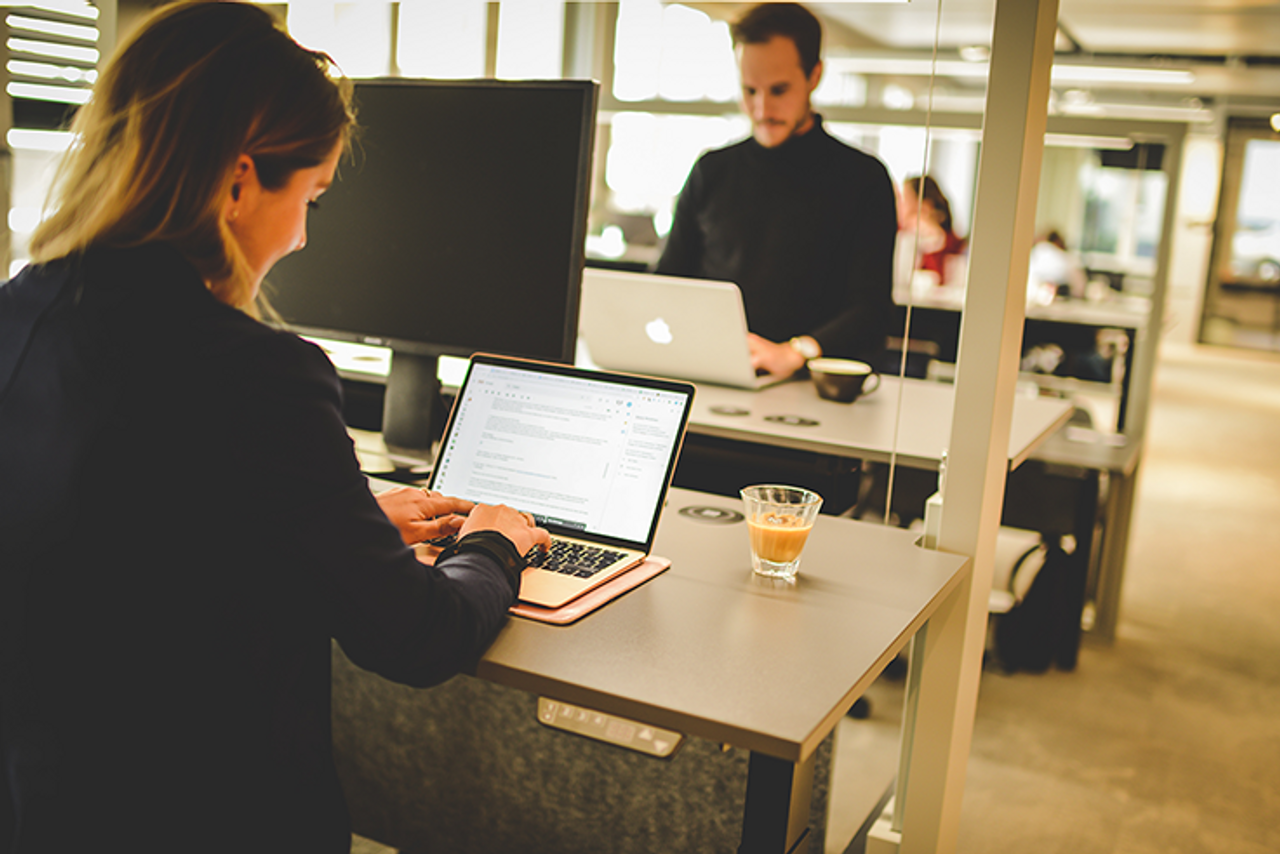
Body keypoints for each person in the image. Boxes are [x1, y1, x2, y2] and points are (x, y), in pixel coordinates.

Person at [0, 4, 548, 852]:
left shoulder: (16, 316)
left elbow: (129, 534)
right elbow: (415, 637)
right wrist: (492, 545)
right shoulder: (261, 376)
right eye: (311, 198)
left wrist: (347, 521)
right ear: (238, 181)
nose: (298, 239)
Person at [655, 2, 897, 379]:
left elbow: (871, 310)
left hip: (810, 384)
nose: (762, 108)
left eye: (779, 90)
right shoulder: (711, 170)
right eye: (749, 90)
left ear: (814, 76)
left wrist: (795, 352)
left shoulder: (864, 178)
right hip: (711, 373)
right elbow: (668, 280)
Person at [899, 174, 967, 287]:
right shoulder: (903, 236)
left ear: (925, 206)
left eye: (906, 199)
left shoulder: (950, 245)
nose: (901, 206)